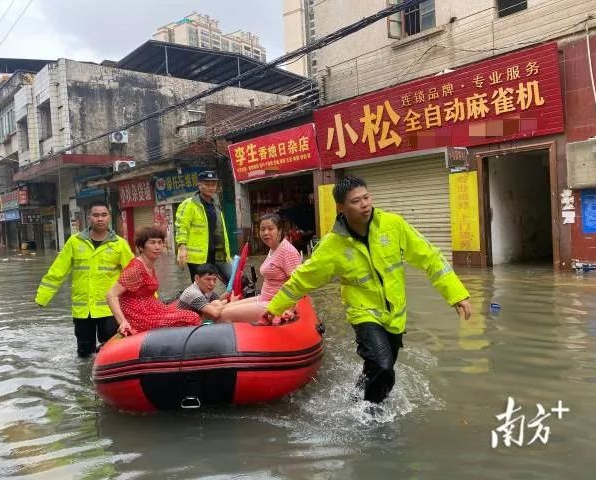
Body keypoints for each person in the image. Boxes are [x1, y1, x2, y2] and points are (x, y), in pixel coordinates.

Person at [262, 176, 472, 404]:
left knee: (380, 366)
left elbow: (430, 257)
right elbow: (302, 279)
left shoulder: (393, 225)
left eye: (366, 197)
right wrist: (275, 307)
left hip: (395, 315)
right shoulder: (333, 245)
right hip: (363, 314)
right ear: (341, 208)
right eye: (356, 201)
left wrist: (456, 294)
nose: (365, 204)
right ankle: (372, 416)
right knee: (383, 367)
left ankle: (357, 397)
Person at [35, 201, 133, 358]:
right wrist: (42, 297)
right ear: (89, 218)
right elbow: (57, 272)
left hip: (109, 308)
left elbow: (133, 274)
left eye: (103, 215)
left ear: (109, 217)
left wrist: (152, 300)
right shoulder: (75, 242)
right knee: (84, 352)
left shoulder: (119, 245)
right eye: (95, 215)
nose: (100, 219)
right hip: (83, 309)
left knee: (111, 348)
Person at [106, 226, 202, 336]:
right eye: (152, 243)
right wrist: (122, 322)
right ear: (141, 247)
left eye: (160, 242)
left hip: (153, 308)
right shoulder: (136, 268)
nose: (157, 247)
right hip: (139, 316)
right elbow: (111, 295)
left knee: (192, 313)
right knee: (191, 317)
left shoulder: (149, 265)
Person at [220, 213, 301, 323]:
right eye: (262, 229)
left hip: (274, 305)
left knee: (224, 314)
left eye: (270, 229)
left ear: (280, 230)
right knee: (224, 308)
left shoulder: (287, 251)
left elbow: (297, 283)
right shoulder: (273, 248)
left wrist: (289, 309)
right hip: (264, 298)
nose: (266, 232)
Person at [175, 170, 232, 283]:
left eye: (213, 185)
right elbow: (181, 226)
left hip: (218, 254)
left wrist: (227, 253)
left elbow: (221, 230)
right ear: (199, 185)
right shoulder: (189, 204)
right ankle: (201, 300)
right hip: (198, 257)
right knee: (201, 286)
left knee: (232, 278)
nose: (211, 187)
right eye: (207, 184)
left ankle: (229, 300)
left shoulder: (216, 204)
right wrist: (182, 248)